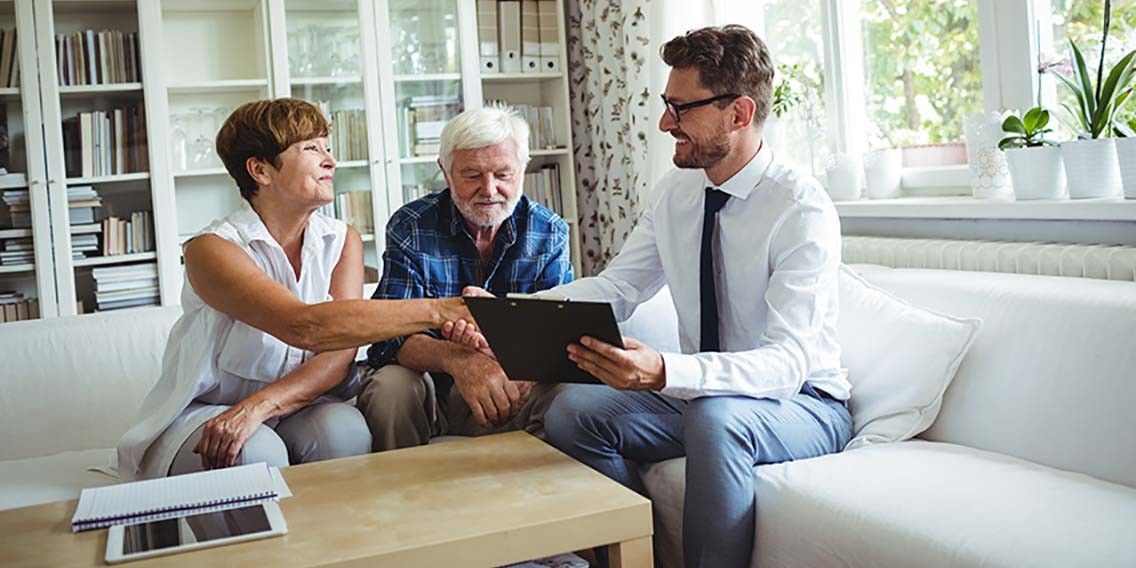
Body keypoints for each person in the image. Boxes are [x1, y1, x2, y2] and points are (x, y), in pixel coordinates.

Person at [457, 25, 852, 567]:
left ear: (738, 113)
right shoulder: (677, 191)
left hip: (802, 403)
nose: (666, 123)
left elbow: (787, 365)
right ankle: (638, 556)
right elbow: (618, 288)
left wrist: (666, 371)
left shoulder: (799, 209)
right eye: (668, 105)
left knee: (716, 419)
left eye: (682, 109)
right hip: (704, 394)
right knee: (573, 411)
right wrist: (514, 313)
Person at [116, 98, 474, 481]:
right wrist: (447, 310)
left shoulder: (342, 241)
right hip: (210, 408)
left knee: (346, 431)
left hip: (295, 404)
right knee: (256, 452)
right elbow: (303, 326)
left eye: (327, 147)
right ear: (260, 170)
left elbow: (337, 356)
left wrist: (260, 406)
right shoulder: (211, 249)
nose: (330, 161)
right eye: (310, 148)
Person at [356, 106, 573, 451]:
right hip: (432, 390)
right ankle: (402, 496)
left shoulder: (549, 232)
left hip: (512, 382)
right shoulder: (412, 226)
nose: (489, 190)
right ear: (445, 171)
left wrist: (503, 347)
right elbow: (388, 340)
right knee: (391, 387)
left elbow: (558, 338)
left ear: (522, 168)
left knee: (568, 394)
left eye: (503, 174)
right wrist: (458, 358)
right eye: (472, 175)